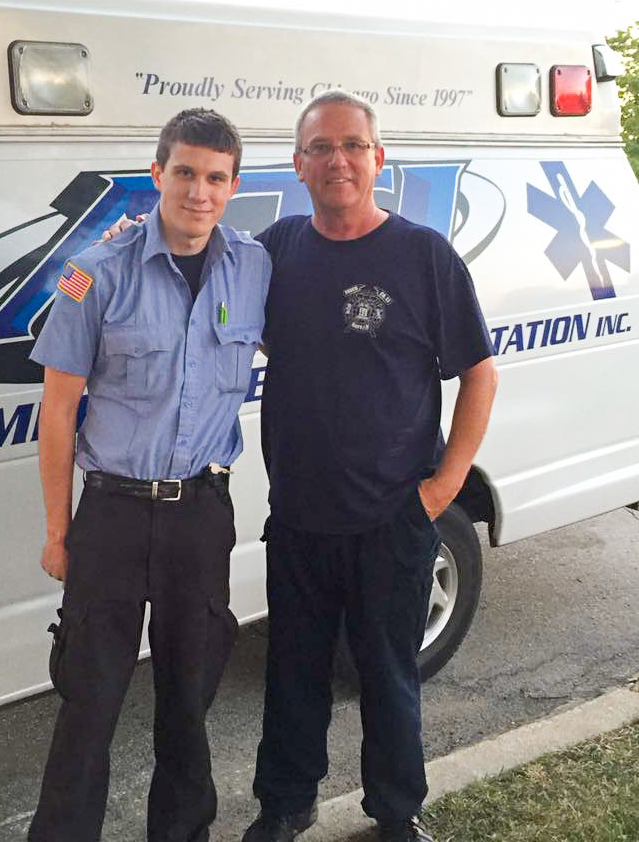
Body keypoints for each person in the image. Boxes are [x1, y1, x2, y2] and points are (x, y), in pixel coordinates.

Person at [241, 90, 498, 842]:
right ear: (298, 165)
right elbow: (214, 301)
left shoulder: (421, 255)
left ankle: (395, 813)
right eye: (321, 148)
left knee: (389, 677)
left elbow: (478, 371)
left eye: (353, 145)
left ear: (378, 160)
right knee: (293, 678)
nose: (338, 160)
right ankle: (284, 808)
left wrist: (444, 487)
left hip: (392, 519)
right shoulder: (278, 250)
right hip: (297, 516)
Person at [26, 107, 271, 842]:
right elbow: (59, 412)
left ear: (233, 186)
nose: (200, 191)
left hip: (200, 512)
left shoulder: (254, 266)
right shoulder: (92, 273)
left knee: (188, 703)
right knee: (89, 703)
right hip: (112, 516)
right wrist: (56, 531)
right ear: (158, 173)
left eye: (216, 178)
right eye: (187, 173)